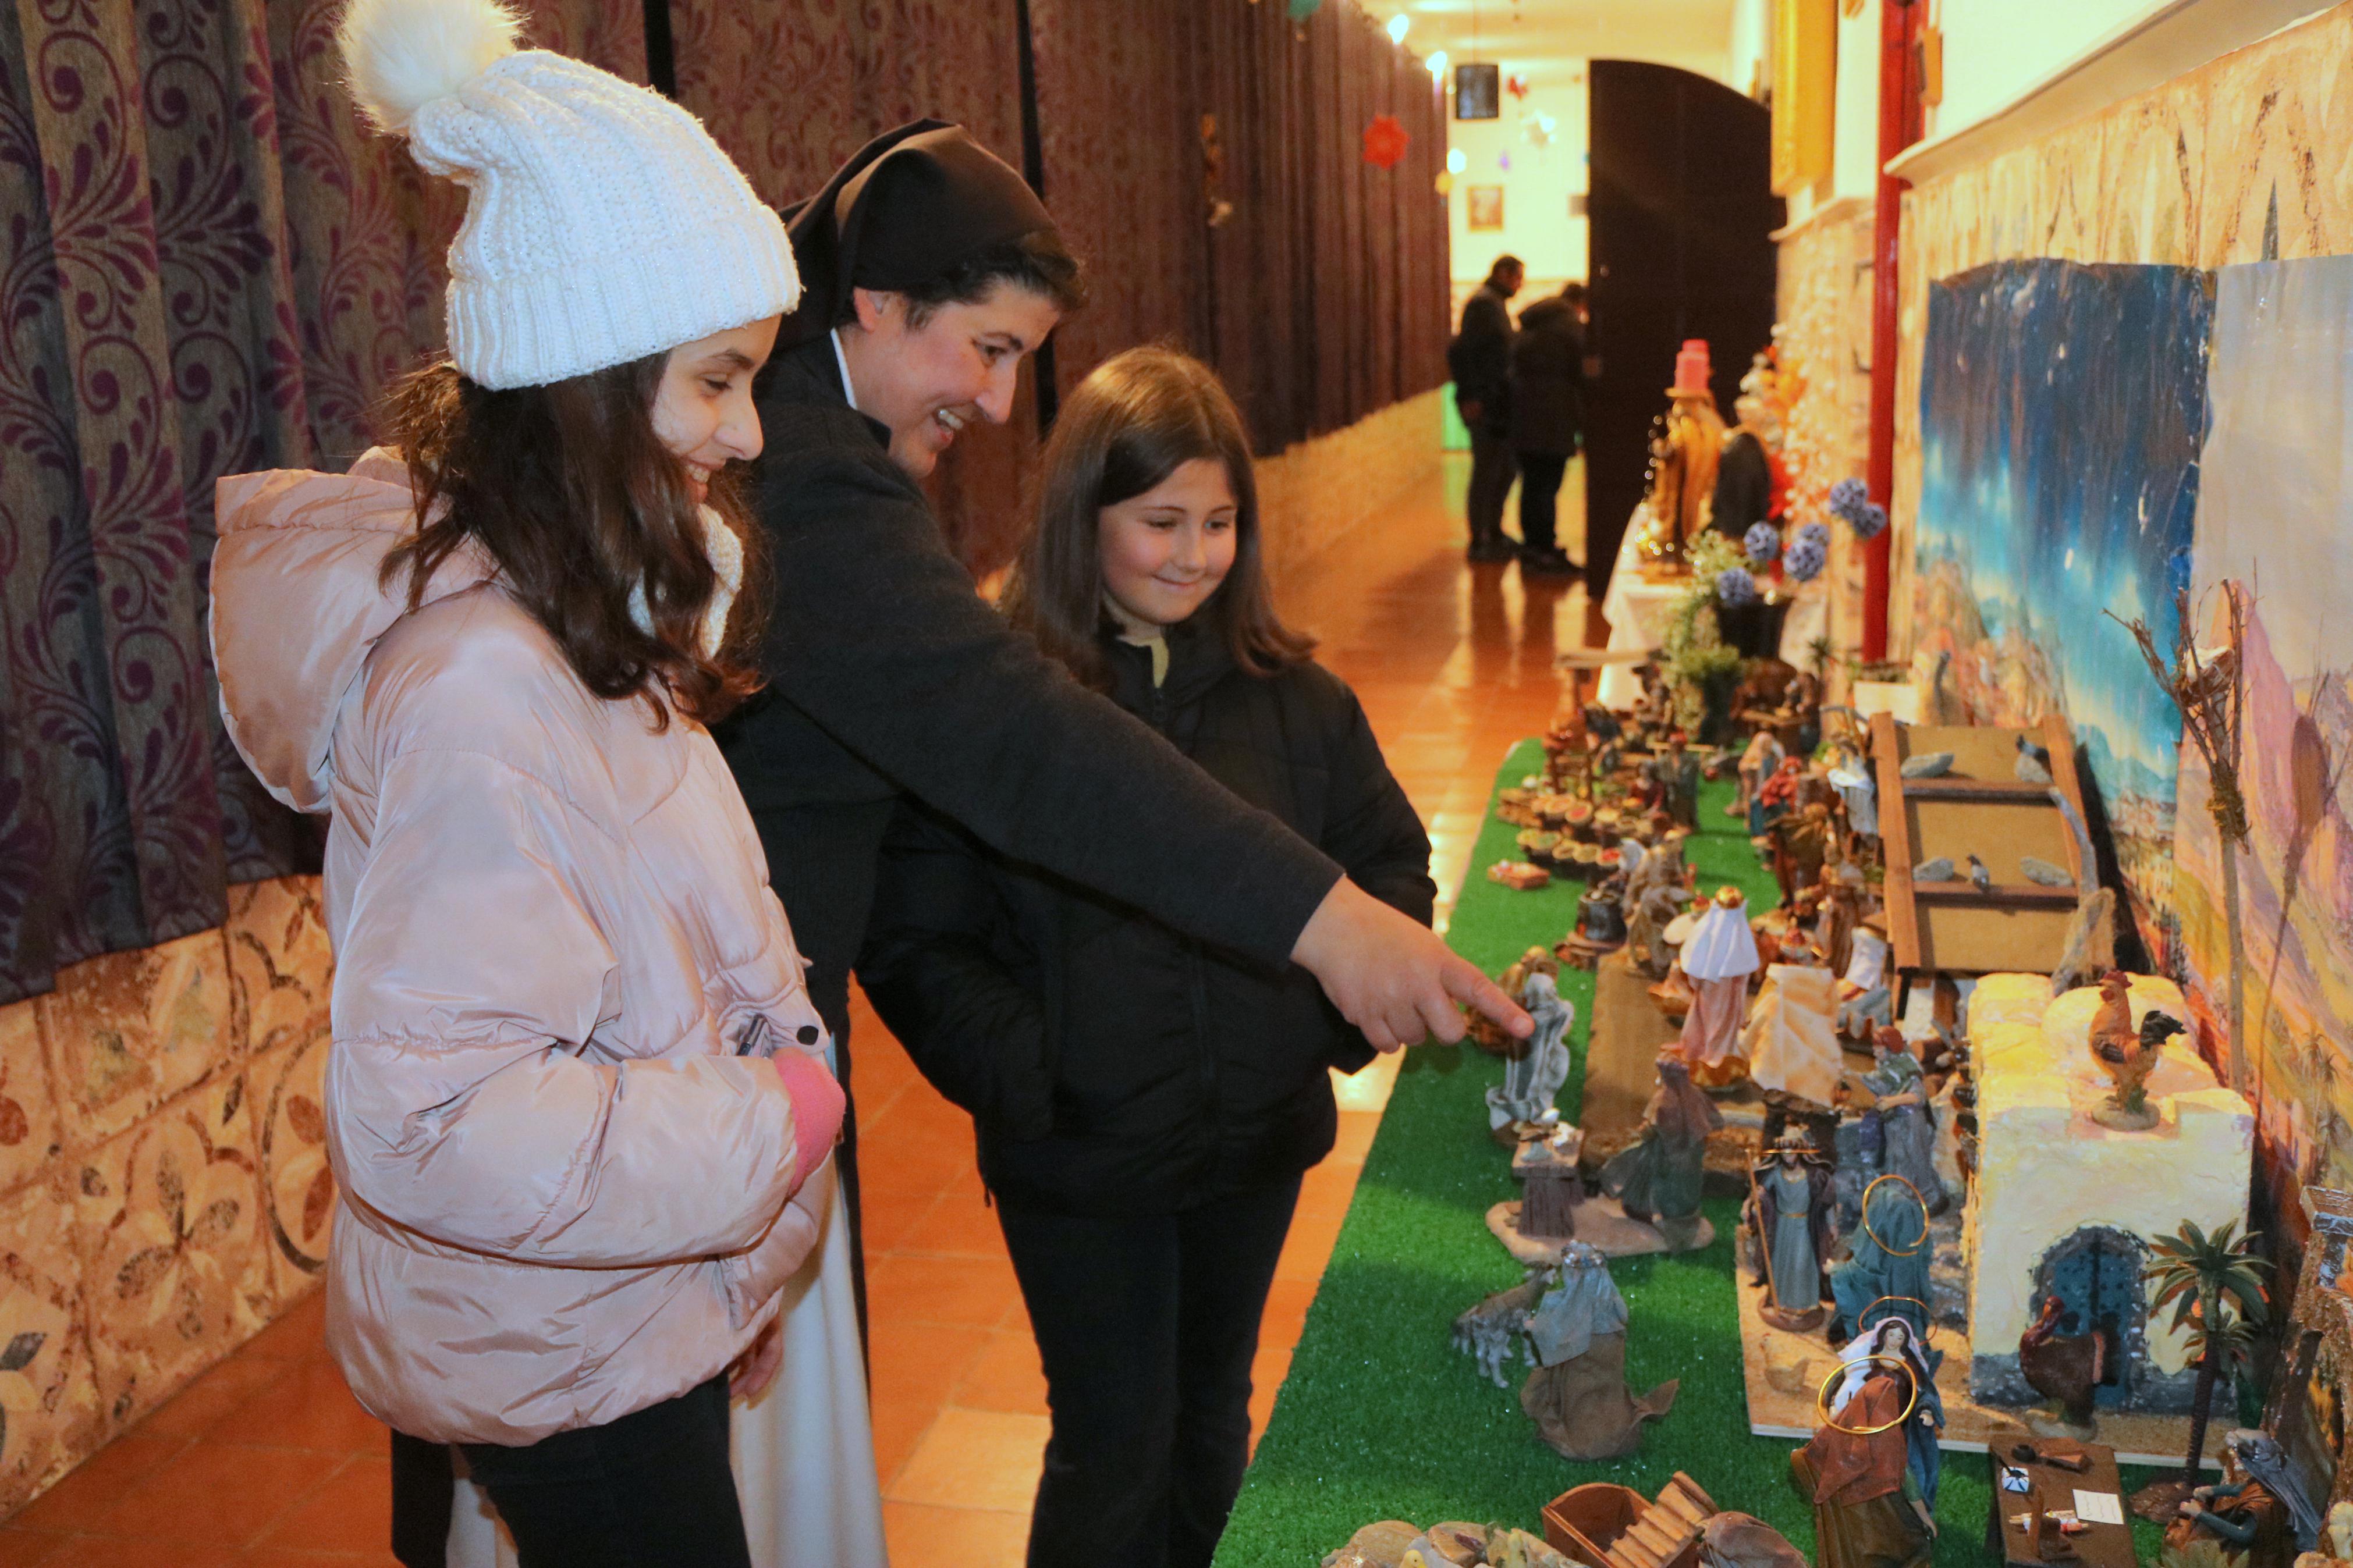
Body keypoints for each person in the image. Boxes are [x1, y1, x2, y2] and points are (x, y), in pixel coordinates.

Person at [210, 3, 873, 1563]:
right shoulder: (480, 687)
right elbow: (437, 1117)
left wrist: (723, 1269)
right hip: (564, 1343)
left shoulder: (592, 629)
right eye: (715, 380)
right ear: (588, 375)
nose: (747, 429)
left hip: (616, 1293)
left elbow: (638, 974)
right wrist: (769, 1127)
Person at [717, 121, 1526, 1315]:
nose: (997, 404)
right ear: (877, 300)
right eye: (988, 349)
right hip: (726, 1056)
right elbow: (1024, 747)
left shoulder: (826, 440)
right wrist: (1325, 924)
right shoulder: (804, 469)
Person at [856, 347, 1438, 1567]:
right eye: (1158, 520)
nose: (1192, 553)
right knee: (1111, 1441)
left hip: (1251, 1144)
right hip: (1080, 1159)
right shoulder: (996, 708)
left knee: (1210, 1418)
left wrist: (1308, 1032)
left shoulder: (1300, 702)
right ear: (1084, 518)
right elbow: (915, 937)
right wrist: (1041, 1068)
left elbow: (1387, 867)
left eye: (1219, 522)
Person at [1448, 254, 1524, 562]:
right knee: (1488, 471)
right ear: (1505, 275)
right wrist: (1472, 397)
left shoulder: (1492, 303)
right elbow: (1463, 353)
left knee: (1503, 468)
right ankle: (1480, 539)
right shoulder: (1484, 305)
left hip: (1495, 402)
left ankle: (1493, 531)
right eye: (1518, 278)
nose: (1520, 286)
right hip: (1485, 403)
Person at [1510, 280, 1587, 575]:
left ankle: (1533, 549)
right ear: (1580, 303)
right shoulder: (1568, 327)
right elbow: (1583, 372)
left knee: (1532, 486)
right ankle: (1544, 553)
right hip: (1553, 418)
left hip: (1523, 416)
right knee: (1546, 487)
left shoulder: (1533, 325)